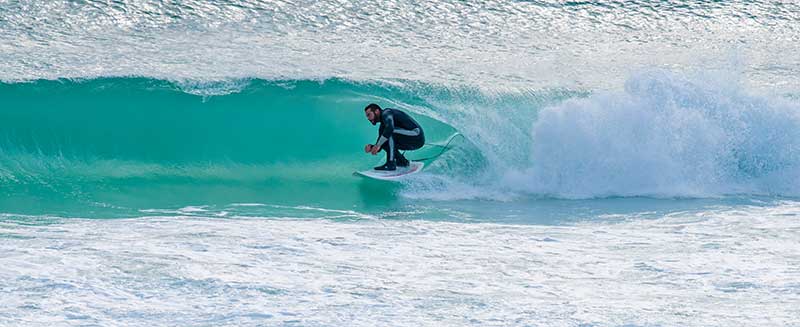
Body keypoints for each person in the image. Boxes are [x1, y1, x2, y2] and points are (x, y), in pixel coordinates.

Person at [363, 103, 425, 171]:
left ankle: (390, 164)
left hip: (416, 136)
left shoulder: (386, 113)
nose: (368, 118)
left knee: (388, 134)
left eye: (369, 115)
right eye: (367, 116)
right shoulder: (383, 126)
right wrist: (372, 147)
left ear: (377, 111)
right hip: (410, 141)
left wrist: (378, 145)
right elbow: (381, 145)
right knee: (384, 139)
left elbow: (390, 129)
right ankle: (402, 162)